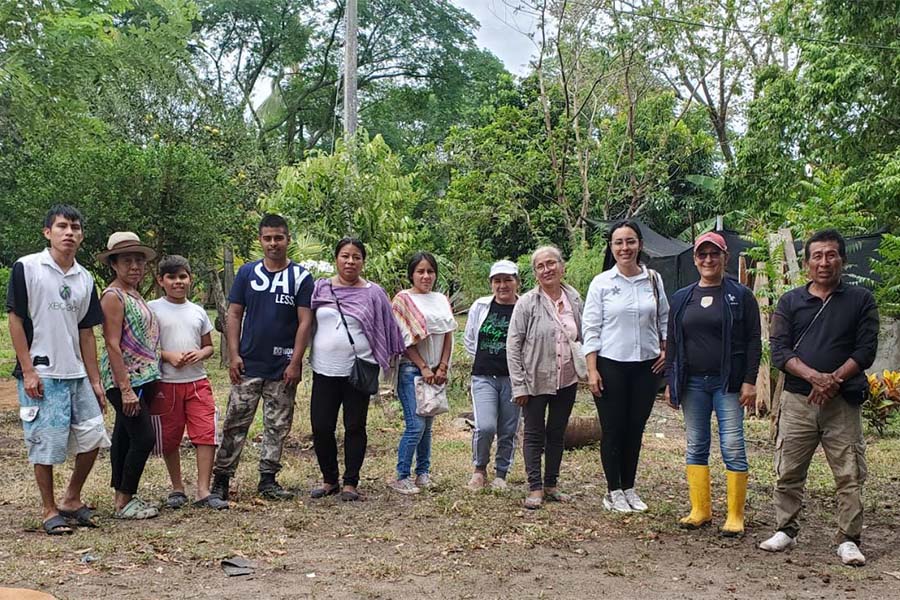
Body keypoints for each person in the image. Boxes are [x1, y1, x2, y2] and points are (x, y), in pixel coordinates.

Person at [759, 229, 878, 566]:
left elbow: (866, 350)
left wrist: (833, 379)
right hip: (798, 401)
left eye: (831, 255)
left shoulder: (860, 300)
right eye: (817, 256)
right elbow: (780, 351)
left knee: (849, 473)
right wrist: (814, 377)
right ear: (807, 263)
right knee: (788, 469)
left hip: (842, 403)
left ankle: (849, 538)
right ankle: (785, 529)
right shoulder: (790, 302)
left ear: (842, 259)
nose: (824, 262)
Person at [6, 205, 110, 535]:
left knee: (93, 434)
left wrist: (95, 380)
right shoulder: (27, 267)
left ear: (81, 235)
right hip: (43, 371)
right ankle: (49, 509)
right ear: (47, 232)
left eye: (75, 228)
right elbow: (15, 320)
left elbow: (86, 332)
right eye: (62, 226)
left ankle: (71, 499)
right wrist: (28, 370)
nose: (69, 233)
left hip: (76, 372)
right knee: (45, 443)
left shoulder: (85, 278)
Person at [210, 214, 314, 504]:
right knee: (235, 422)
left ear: (288, 239)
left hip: (282, 367)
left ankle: (268, 479)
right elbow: (233, 314)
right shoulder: (247, 273)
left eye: (278, 237)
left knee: (277, 424)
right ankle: (221, 480)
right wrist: (233, 354)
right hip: (248, 363)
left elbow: (305, 321)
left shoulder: (301, 277)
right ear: (260, 240)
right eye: (267, 238)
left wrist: (296, 362)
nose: (273, 243)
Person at [664, 232, 760, 535]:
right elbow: (673, 342)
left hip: (728, 383)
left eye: (714, 254)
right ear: (695, 260)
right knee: (696, 444)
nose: (708, 260)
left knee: (732, 445)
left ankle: (735, 515)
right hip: (692, 383)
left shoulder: (741, 295)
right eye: (702, 254)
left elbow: (753, 341)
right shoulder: (682, 297)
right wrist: (670, 381)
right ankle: (700, 510)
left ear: (725, 257)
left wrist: (749, 381)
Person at [308, 238, 405, 501]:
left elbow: (388, 328)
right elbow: (306, 322)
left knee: (354, 426)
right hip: (324, 369)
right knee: (321, 426)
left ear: (363, 261)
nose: (350, 261)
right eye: (345, 256)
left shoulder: (374, 293)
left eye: (356, 257)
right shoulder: (320, 288)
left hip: (359, 370)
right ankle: (329, 480)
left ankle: (351, 482)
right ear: (336, 259)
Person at [582, 220, 669, 513]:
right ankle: (613, 491)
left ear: (640, 244)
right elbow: (590, 328)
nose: (625, 248)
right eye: (618, 242)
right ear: (611, 247)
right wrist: (592, 370)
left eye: (630, 241)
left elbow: (664, 318)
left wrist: (666, 350)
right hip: (611, 365)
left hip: (646, 367)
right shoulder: (602, 283)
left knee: (635, 428)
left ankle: (629, 487)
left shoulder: (653, 280)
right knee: (613, 428)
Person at [507, 246, 584, 510]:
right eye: (540, 266)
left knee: (557, 432)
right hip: (535, 379)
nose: (547, 269)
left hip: (567, 378)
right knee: (533, 434)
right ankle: (535, 487)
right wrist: (519, 385)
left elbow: (583, 334)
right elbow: (513, 345)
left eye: (551, 263)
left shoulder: (574, 298)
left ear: (562, 266)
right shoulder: (527, 303)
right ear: (535, 273)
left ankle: (551, 484)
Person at [147, 255, 227, 510]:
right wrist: (167, 355)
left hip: (197, 381)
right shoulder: (152, 309)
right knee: (169, 436)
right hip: (165, 383)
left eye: (183, 276)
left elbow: (208, 346)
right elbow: (145, 346)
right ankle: (177, 487)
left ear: (190, 279)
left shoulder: (198, 311)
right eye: (171, 277)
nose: (178, 282)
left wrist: (200, 354)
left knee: (205, 433)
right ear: (160, 281)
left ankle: (203, 490)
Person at [97, 231, 162, 520]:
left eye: (139, 260)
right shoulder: (113, 296)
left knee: (124, 435)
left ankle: (122, 498)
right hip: (123, 379)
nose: (135, 266)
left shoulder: (134, 293)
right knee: (144, 437)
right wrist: (125, 389)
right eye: (127, 261)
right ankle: (125, 499)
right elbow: (112, 343)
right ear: (114, 264)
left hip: (141, 376)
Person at [390, 252, 457, 494]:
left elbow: (448, 333)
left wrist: (443, 366)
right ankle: (401, 475)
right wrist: (423, 367)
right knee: (415, 425)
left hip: (436, 370)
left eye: (430, 271)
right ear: (412, 274)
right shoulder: (403, 300)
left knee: (428, 426)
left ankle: (423, 473)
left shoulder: (441, 299)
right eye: (420, 271)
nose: (426, 276)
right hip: (411, 370)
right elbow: (402, 340)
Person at [463, 260, 521, 491]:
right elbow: (469, 339)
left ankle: (501, 474)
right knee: (485, 426)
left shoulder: (524, 307)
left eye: (508, 280)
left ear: (517, 282)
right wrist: (486, 358)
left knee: (509, 429)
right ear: (491, 283)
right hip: (484, 376)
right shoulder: (480, 306)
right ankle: (479, 470)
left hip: (514, 379)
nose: (502, 285)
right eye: (497, 280)